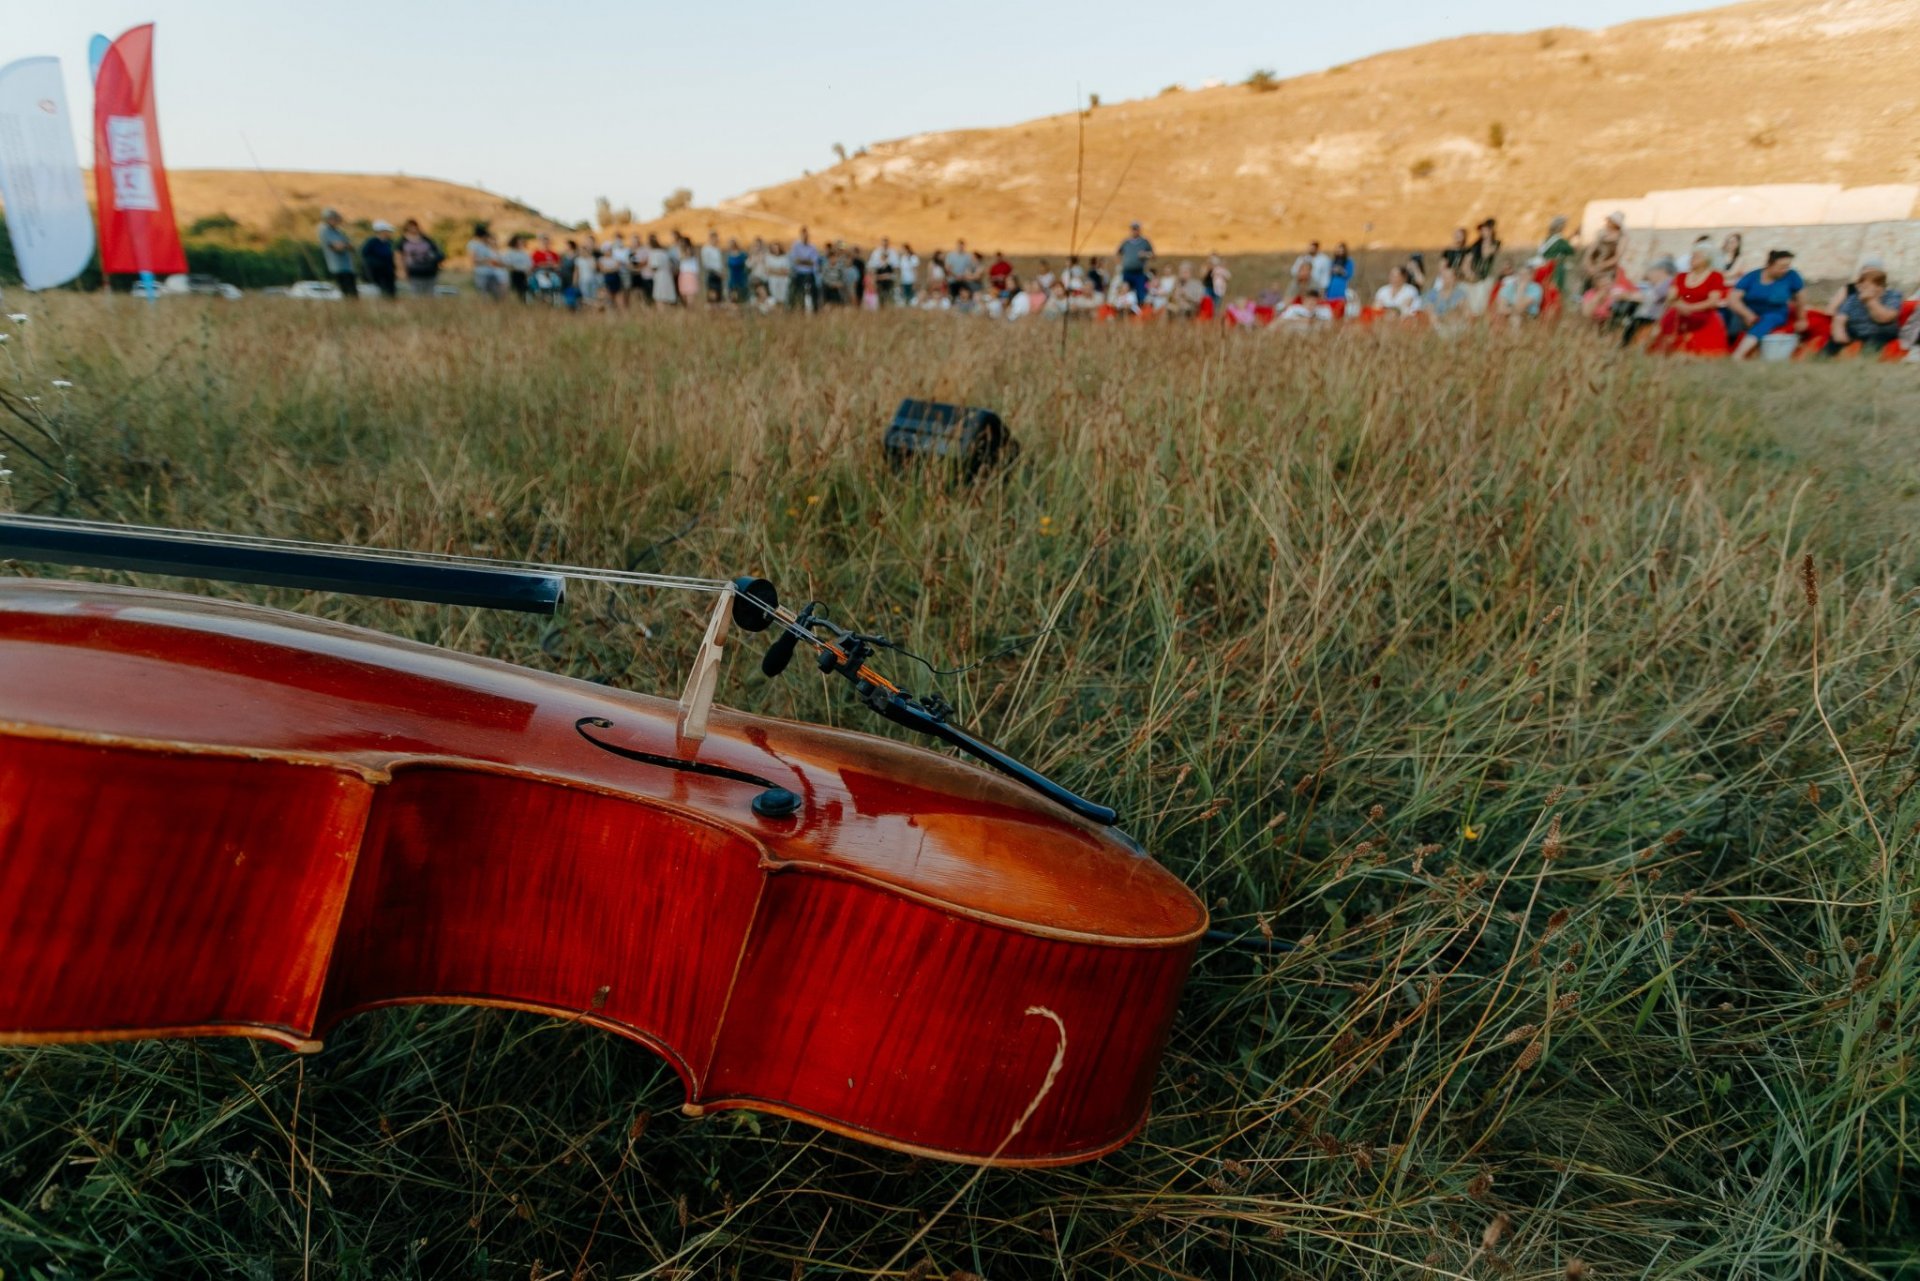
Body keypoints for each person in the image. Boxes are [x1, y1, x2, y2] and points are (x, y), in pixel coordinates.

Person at [1650, 245, 1728, 355]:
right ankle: (1666, 347)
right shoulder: (1681, 276)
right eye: (1692, 256)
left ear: (1708, 260)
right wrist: (1680, 305)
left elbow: (1712, 302)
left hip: (1703, 313)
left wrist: (1690, 308)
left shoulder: (1715, 276)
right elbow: (1671, 297)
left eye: (1697, 257)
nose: (1692, 259)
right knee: (1672, 314)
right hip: (1680, 310)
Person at [1728, 249, 1804, 358]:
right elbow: (1733, 299)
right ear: (1770, 265)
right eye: (1781, 267)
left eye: (1787, 266)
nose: (1785, 270)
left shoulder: (1792, 276)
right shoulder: (1752, 277)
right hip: (1748, 311)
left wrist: (1802, 319)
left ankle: (1739, 354)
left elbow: (1800, 300)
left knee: (1767, 320)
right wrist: (1746, 314)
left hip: (1776, 312)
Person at [1823, 267, 1906, 356]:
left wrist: (1870, 301)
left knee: (1873, 344)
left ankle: (1864, 362)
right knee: (1833, 341)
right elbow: (1840, 317)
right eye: (1859, 285)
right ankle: (1822, 359)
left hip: (1881, 332)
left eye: (1865, 286)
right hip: (1857, 330)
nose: (1860, 289)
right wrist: (1839, 332)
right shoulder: (1853, 298)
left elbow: (1885, 318)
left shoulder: (1893, 295)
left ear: (1879, 286)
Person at [1617, 255, 1675, 348]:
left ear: (1661, 271)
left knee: (1632, 318)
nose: (1649, 275)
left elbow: (1651, 297)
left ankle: (1624, 345)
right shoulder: (1660, 283)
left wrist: (1628, 296)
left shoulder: (1667, 283)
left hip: (1653, 315)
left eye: (1651, 271)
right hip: (1649, 314)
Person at [1580, 212, 1624, 297]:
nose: (1607, 223)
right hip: (1593, 268)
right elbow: (1589, 252)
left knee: (1602, 294)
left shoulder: (1621, 238)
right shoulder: (1601, 235)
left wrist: (1600, 267)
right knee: (1588, 293)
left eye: (1610, 221)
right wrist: (1589, 265)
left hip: (1607, 271)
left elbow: (1616, 257)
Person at [317, 208, 359, 299]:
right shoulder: (325, 231)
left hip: (348, 266)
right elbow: (337, 247)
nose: (336, 221)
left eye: (336, 218)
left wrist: (345, 245)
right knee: (347, 292)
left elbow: (352, 247)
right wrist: (346, 245)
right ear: (327, 219)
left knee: (354, 293)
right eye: (333, 218)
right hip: (338, 266)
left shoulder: (339, 231)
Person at [398, 219, 443, 297]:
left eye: (414, 227)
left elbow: (436, 252)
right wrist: (401, 270)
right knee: (416, 295)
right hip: (414, 272)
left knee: (430, 295)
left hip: (429, 271)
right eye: (410, 227)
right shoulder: (402, 241)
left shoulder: (426, 239)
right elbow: (398, 257)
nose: (413, 229)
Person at [1538, 216, 1577, 296]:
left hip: (1546, 265)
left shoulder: (1546, 239)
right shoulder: (1560, 240)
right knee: (1557, 289)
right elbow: (1570, 251)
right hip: (1557, 266)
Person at [1117, 222, 1154, 305]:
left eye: (1136, 229)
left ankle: (1140, 309)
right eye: (1133, 229)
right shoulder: (1126, 242)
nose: (1135, 231)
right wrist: (1120, 264)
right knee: (1124, 291)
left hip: (1139, 272)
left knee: (1140, 292)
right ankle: (1125, 310)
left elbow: (1153, 255)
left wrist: (1145, 254)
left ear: (1139, 230)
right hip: (1127, 271)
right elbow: (1118, 253)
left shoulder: (1145, 242)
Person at [468, 223, 507, 300]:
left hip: (492, 272)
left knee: (497, 293)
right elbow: (473, 260)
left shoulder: (487, 245)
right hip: (481, 273)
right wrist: (487, 261)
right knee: (483, 294)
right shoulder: (473, 244)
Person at [360, 220, 397, 298]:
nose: (389, 233)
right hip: (377, 272)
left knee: (391, 291)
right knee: (381, 291)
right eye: (387, 231)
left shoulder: (389, 243)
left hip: (388, 272)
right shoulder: (372, 242)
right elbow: (365, 255)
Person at [789, 228, 822, 311]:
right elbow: (795, 260)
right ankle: (799, 310)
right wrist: (807, 261)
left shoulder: (812, 247)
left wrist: (802, 261)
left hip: (810, 273)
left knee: (813, 293)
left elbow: (813, 262)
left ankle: (815, 311)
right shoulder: (796, 246)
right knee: (798, 293)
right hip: (799, 273)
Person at [503, 233, 533, 302]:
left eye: (522, 242)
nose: (521, 243)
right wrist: (519, 269)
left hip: (525, 274)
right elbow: (508, 265)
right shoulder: (509, 253)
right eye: (519, 242)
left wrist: (528, 271)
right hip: (514, 273)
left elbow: (529, 264)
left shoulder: (525, 253)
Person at [869, 237, 898, 304]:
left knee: (889, 296)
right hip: (879, 279)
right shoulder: (876, 252)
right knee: (880, 296)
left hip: (889, 280)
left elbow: (895, 268)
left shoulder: (893, 252)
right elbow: (872, 266)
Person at [701, 230, 725, 304]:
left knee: (719, 294)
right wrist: (716, 272)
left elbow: (719, 263)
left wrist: (721, 272)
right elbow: (706, 263)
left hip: (719, 274)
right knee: (712, 294)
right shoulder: (706, 249)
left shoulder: (717, 249)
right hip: (711, 274)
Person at [677, 235, 701, 305]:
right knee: (684, 294)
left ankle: (691, 311)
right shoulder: (681, 250)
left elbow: (685, 256)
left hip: (690, 274)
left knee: (690, 295)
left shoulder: (690, 250)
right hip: (683, 274)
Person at [726, 238, 749, 304]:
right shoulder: (728, 255)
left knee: (742, 295)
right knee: (733, 295)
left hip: (741, 276)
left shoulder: (742, 254)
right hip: (732, 277)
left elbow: (748, 263)